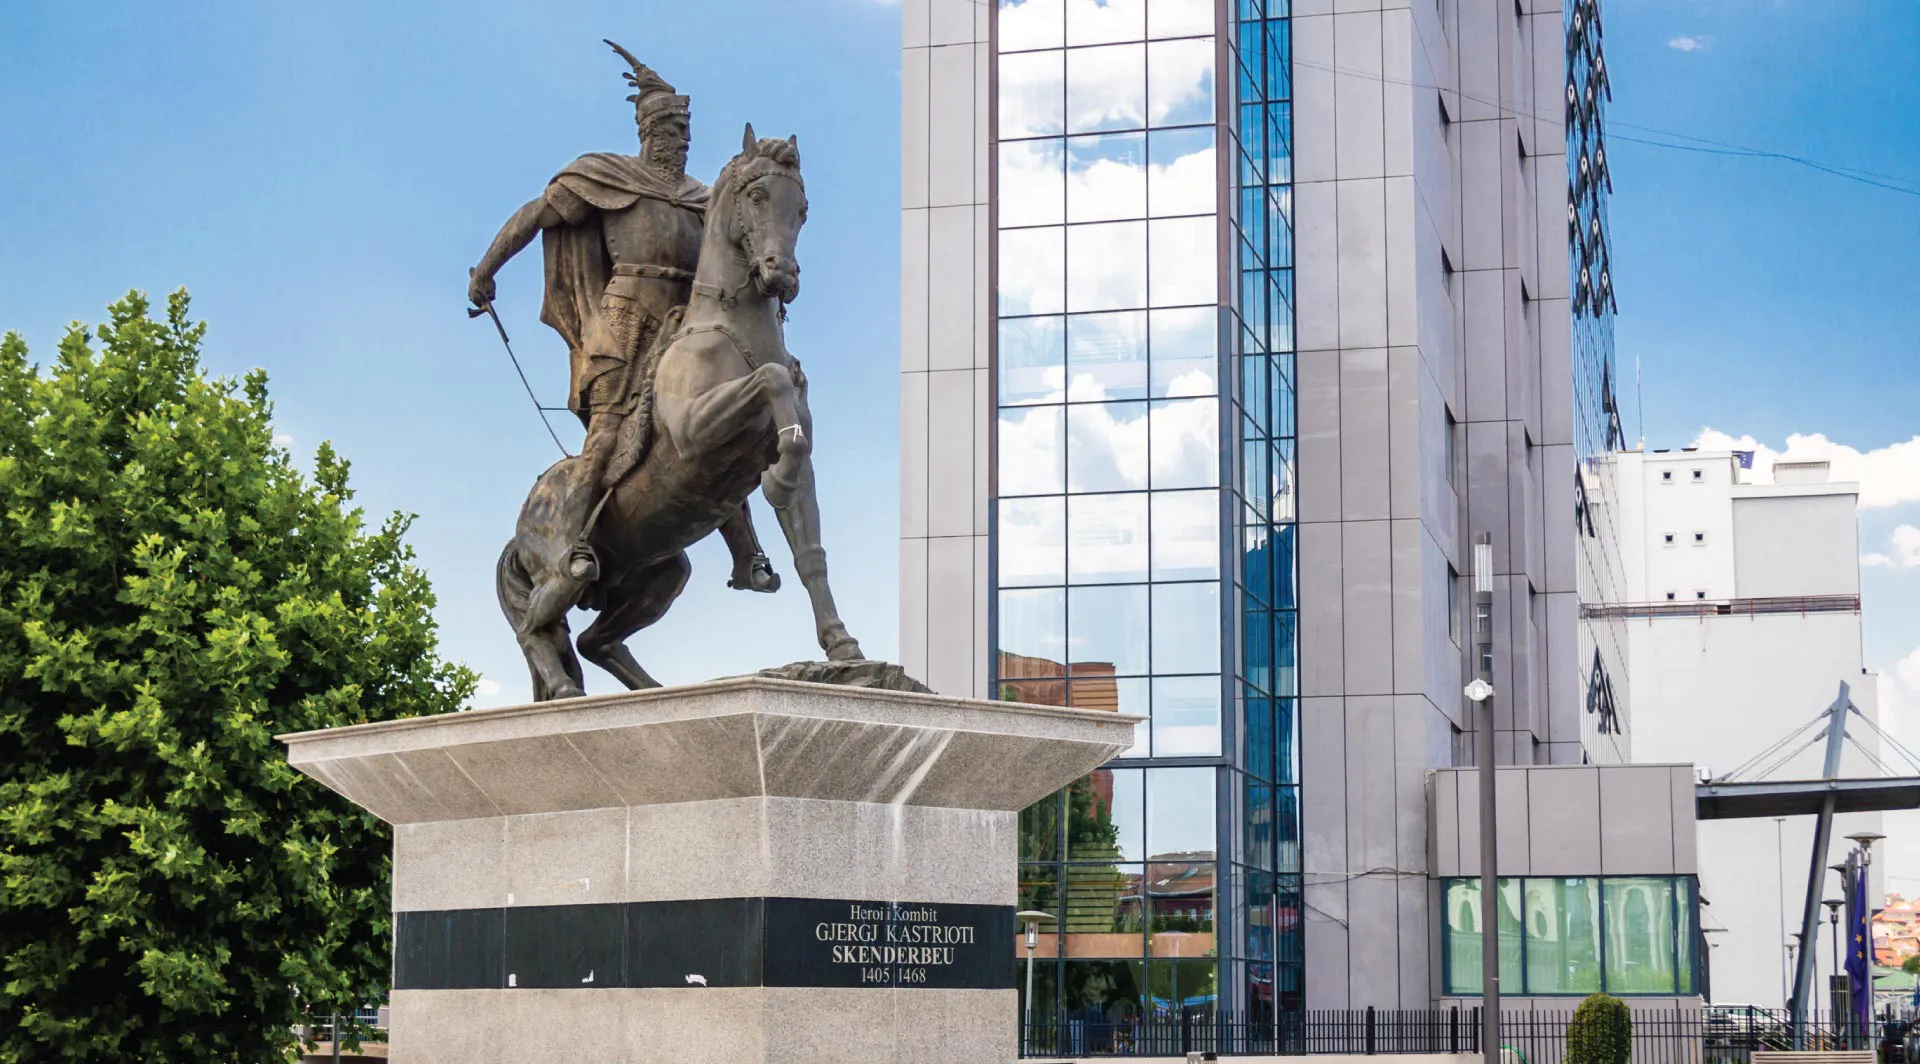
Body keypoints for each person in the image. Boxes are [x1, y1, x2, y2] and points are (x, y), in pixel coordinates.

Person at [467, 40, 778, 591]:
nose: (681, 142)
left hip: (690, 326)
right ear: (648, 134)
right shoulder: (608, 178)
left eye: (685, 133)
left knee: (721, 428)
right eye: (671, 132)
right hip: (624, 323)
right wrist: (487, 269)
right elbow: (537, 214)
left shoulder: (705, 200)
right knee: (608, 432)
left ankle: (746, 553)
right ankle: (572, 541)